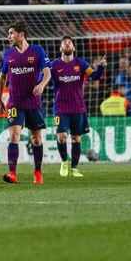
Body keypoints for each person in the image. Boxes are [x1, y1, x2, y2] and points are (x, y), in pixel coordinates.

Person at [0, 21, 51, 184]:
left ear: (21, 35)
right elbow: (2, 76)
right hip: (15, 102)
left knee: (36, 139)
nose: (9, 37)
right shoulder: (8, 54)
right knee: (14, 135)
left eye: (11, 33)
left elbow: (48, 72)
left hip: (33, 102)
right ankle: (12, 173)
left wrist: (41, 85)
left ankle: (38, 172)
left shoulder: (38, 51)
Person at [50, 36, 107, 177]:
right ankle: (64, 162)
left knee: (76, 139)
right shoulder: (54, 65)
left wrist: (101, 67)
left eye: (69, 42)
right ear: (60, 48)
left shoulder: (80, 64)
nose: (67, 44)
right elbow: (42, 77)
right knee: (62, 136)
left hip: (78, 107)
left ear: (73, 47)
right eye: (64, 43)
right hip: (61, 107)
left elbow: (94, 76)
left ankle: (74, 168)